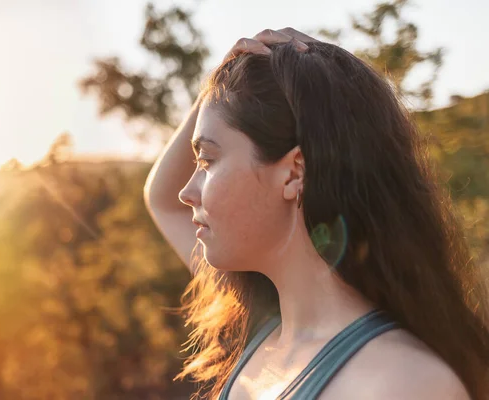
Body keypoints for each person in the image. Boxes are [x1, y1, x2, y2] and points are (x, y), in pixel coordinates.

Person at [143, 27, 489, 399]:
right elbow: (160, 198)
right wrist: (217, 85)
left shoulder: (403, 384)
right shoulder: (260, 323)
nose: (186, 191)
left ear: (294, 173)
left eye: (208, 160)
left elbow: (163, 199)